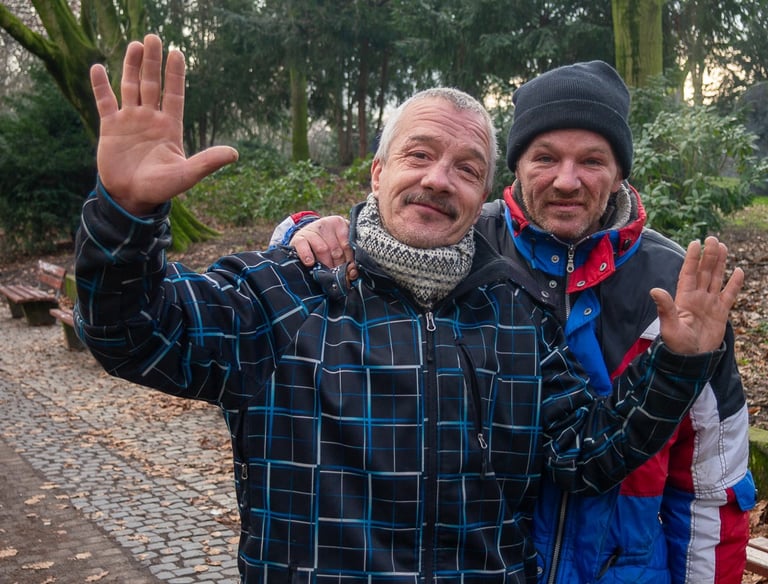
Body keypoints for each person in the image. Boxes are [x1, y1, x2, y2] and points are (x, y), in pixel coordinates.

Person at [74, 35, 743, 583]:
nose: (436, 178)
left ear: (485, 191)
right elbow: (132, 333)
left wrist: (676, 364)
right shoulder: (280, 297)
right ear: (378, 172)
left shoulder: (516, 317)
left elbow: (585, 455)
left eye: (464, 167)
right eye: (419, 155)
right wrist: (126, 215)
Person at [279, 61, 757, 584]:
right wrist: (304, 232)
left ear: (621, 172)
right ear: (516, 166)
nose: (566, 180)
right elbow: (378, 231)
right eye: (545, 158)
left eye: (592, 161)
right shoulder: (458, 242)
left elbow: (713, 486)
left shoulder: (679, 290)